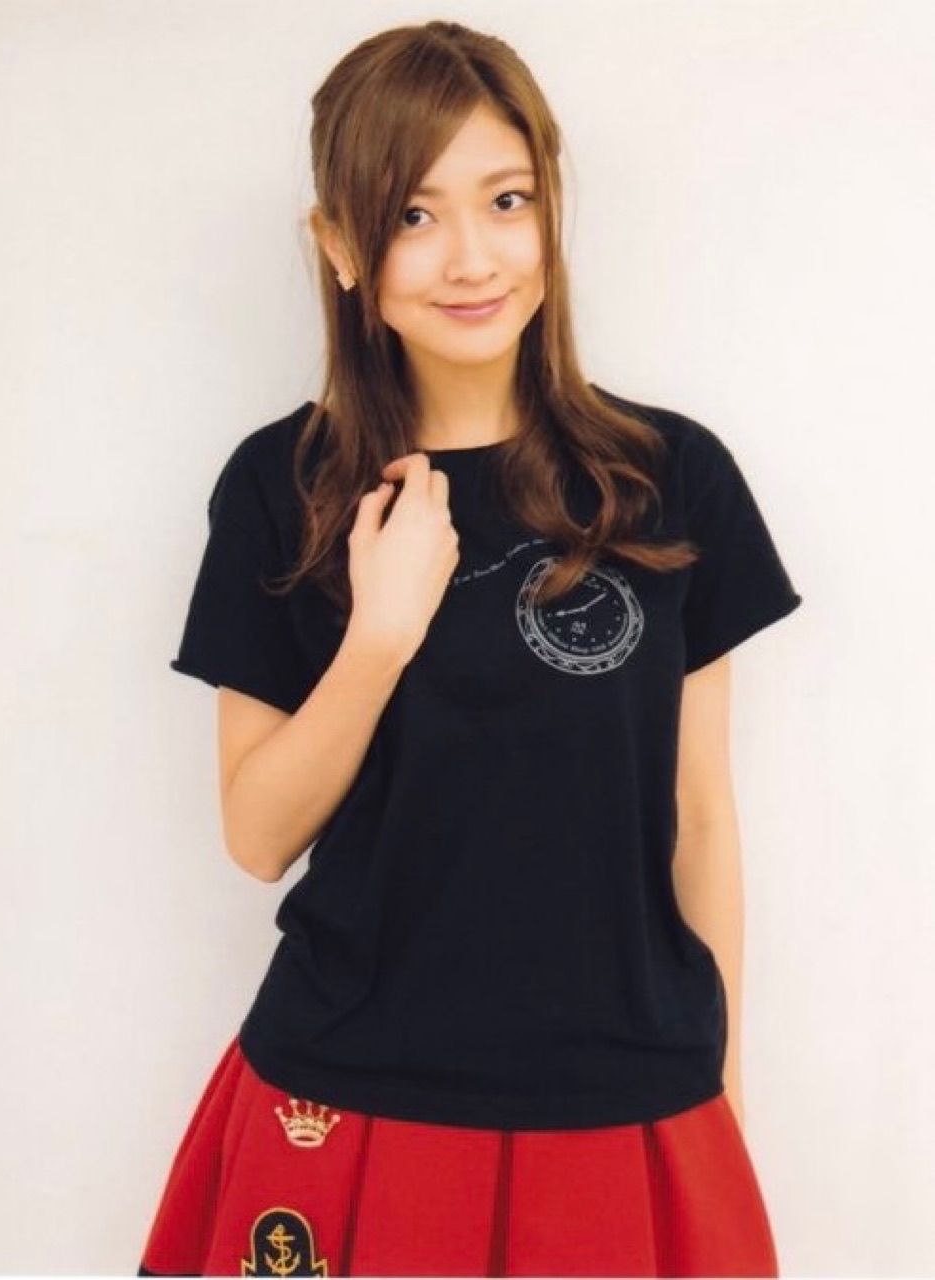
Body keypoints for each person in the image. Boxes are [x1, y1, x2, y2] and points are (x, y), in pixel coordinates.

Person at [136, 19, 803, 1279]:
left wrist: (719, 1080)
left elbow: (703, 815)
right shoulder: (284, 487)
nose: (472, 257)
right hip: (345, 1095)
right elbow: (257, 833)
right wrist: (379, 636)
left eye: (507, 200)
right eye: (413, 214)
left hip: (624, 1100)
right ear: (340, 244)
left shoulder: (669, 477)